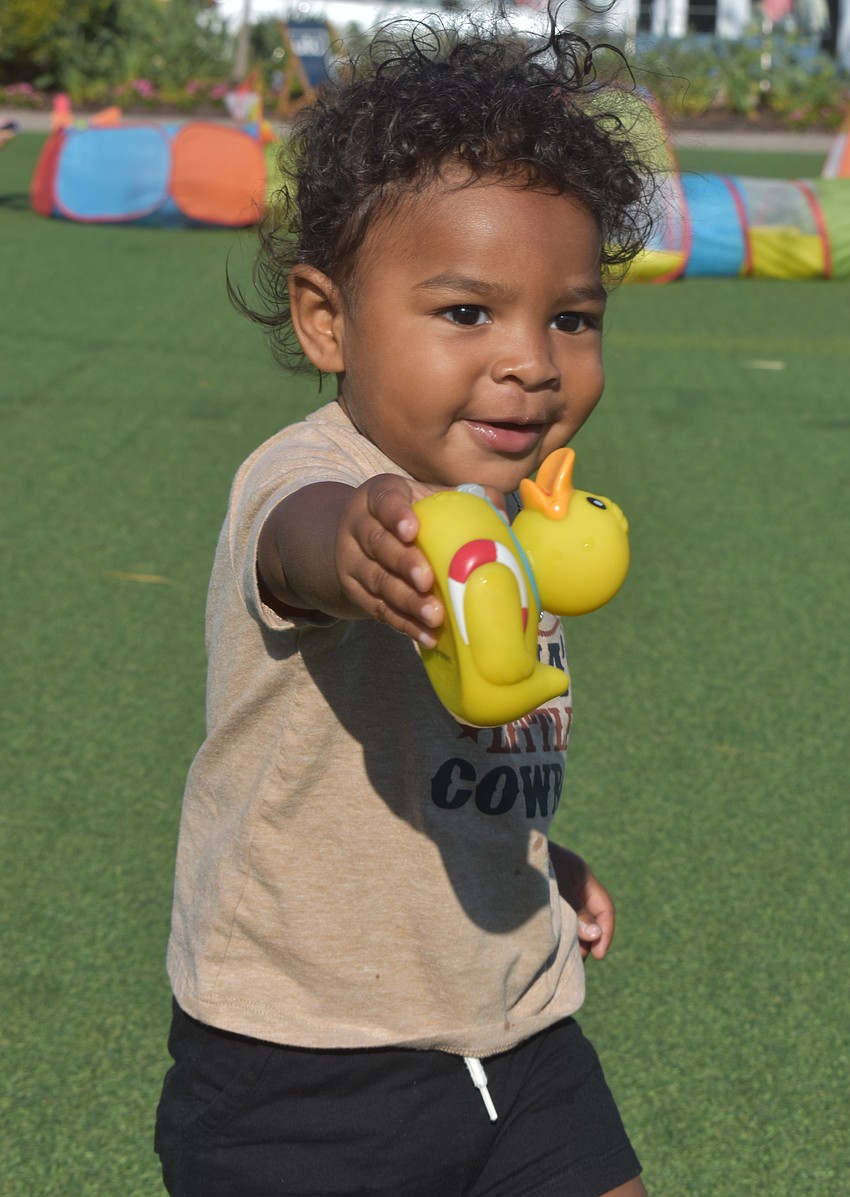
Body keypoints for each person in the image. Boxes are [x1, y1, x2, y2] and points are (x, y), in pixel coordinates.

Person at [155, 10, 656, 1196]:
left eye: (570, 318)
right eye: (467, 312)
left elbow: (454, 747)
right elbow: (301, 550)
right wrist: (364, 546)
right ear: (328, 319)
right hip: (299, 1074)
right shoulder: (315, 478)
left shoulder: (521, 507)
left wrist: (531, 853)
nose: (532, 361)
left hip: (520, 1034)